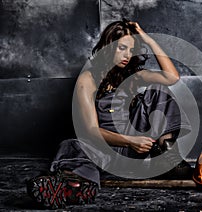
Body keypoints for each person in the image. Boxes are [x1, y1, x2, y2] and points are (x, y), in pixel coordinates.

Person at [27, 19, 192, 209]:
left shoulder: (132, 76)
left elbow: (172, 77)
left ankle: (168, 157)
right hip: (106, 152)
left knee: (158, 90)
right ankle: (71, 187)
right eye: (122, 48)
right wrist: (130, 141)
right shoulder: (88, 79)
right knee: (72, 145)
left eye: (131, 50)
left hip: (134, 153)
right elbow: (90, 130)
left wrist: (148, 39)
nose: (128, 55)